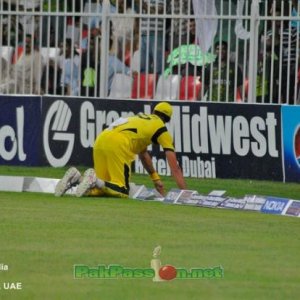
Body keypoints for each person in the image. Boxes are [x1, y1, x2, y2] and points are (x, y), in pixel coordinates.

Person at [55, 101, 187, 198]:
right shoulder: (161, 129)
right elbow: (174, 167)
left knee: (103, 188)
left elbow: (143, 154)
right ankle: (93, 179)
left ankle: (77, 178)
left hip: (101, 139)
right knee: (122, 190)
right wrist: (185, 194)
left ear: (154, 112)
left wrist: (156, 179)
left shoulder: (140, 118)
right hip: (118, 144)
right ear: (167, 119)